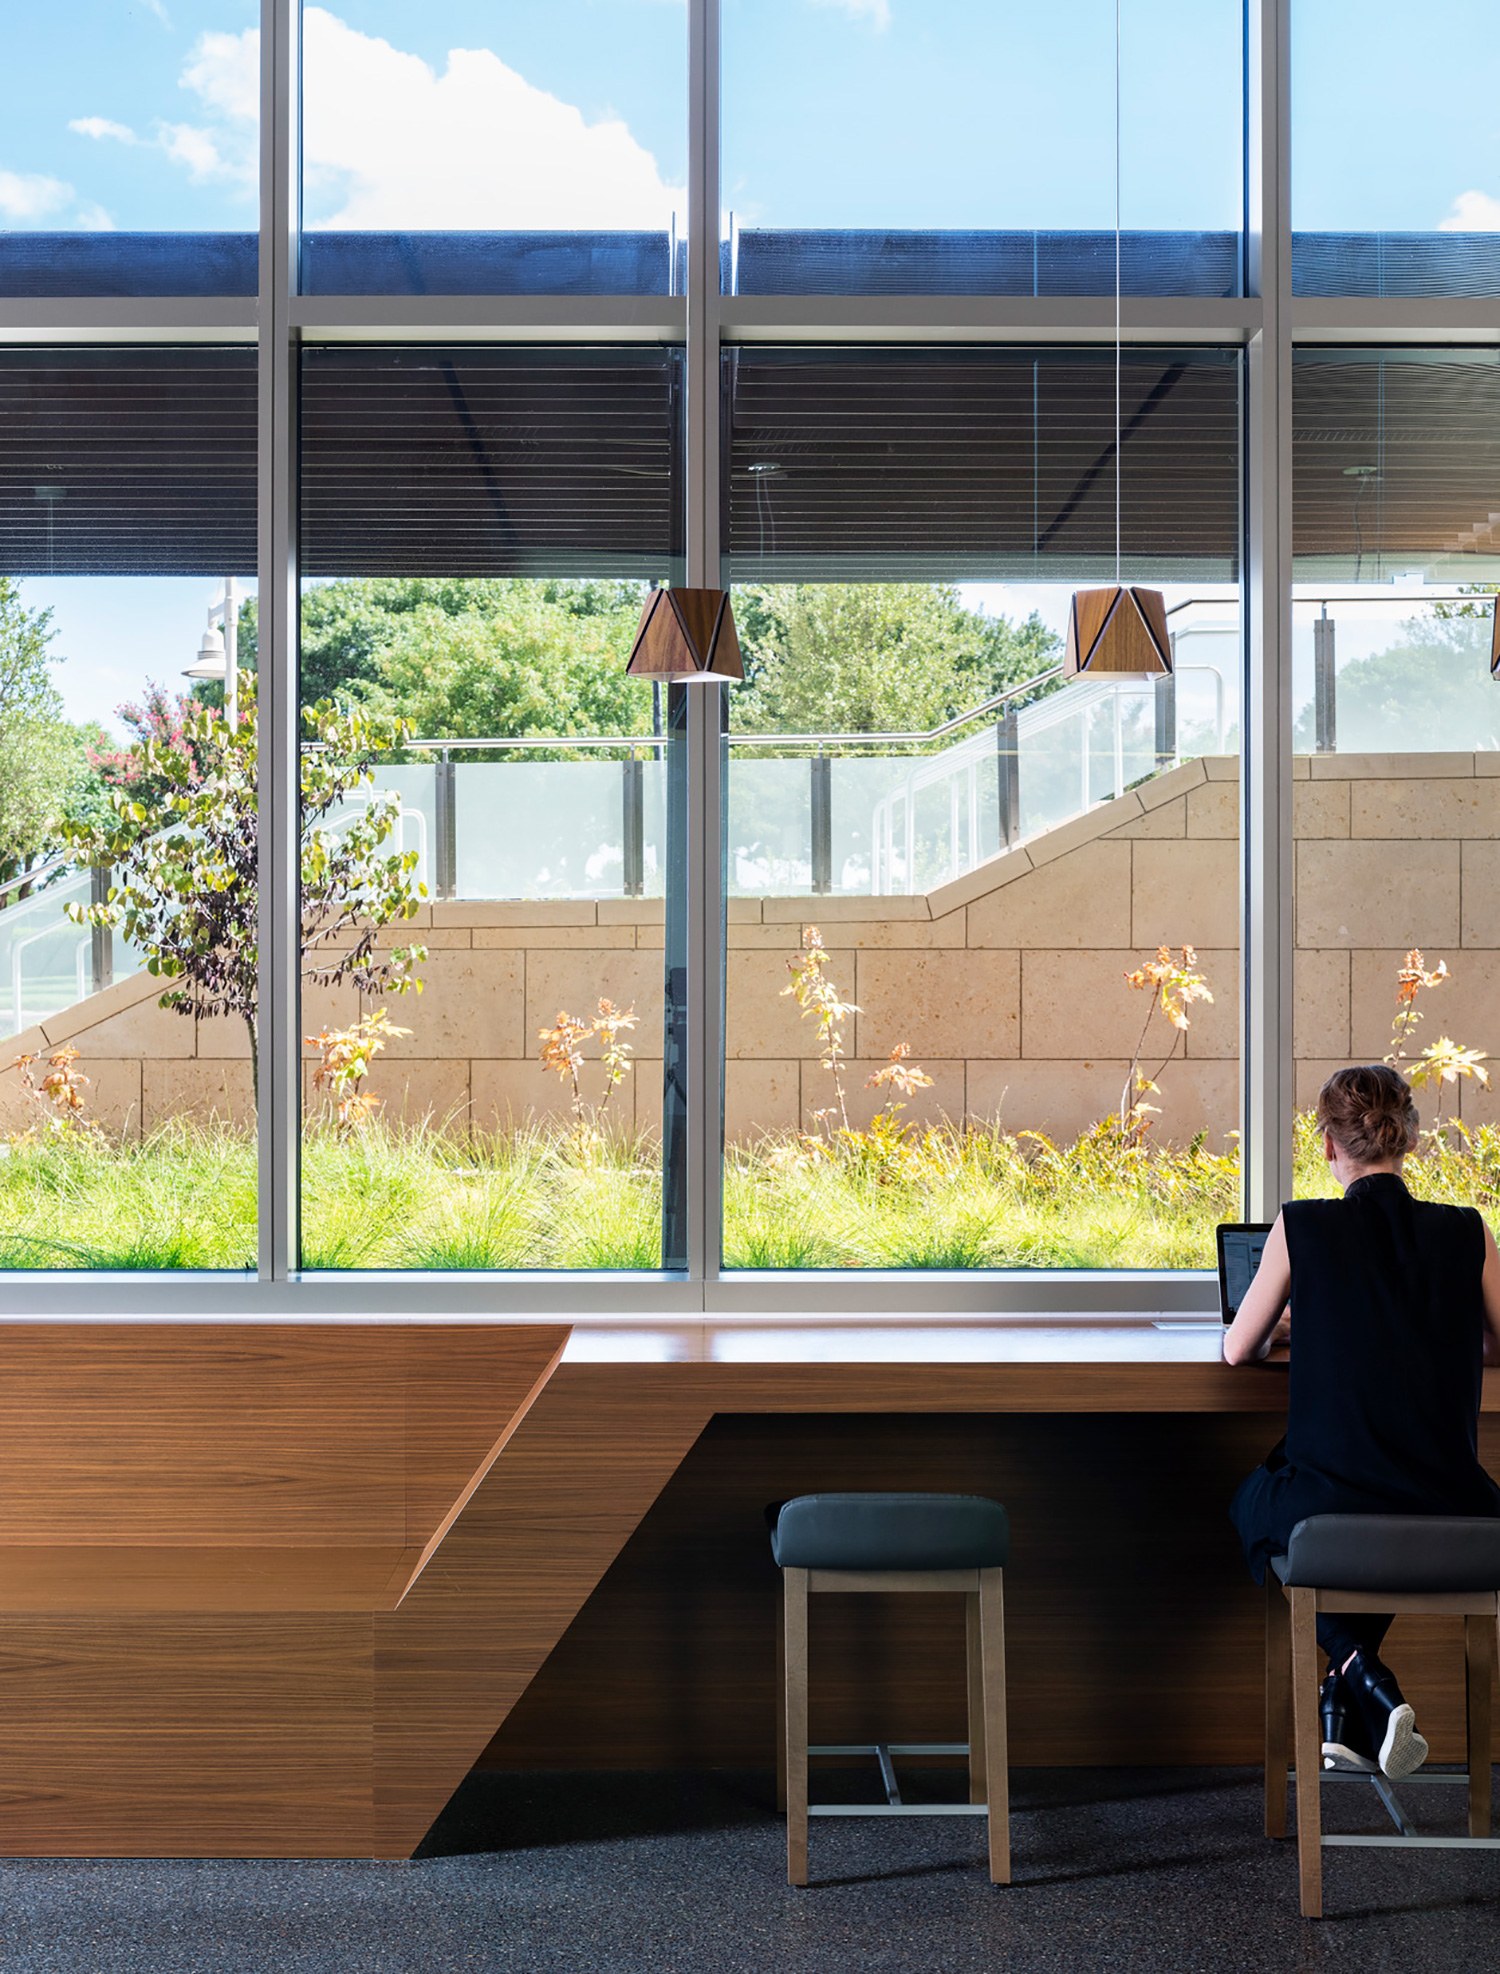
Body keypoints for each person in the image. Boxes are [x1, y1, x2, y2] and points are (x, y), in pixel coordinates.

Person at [1224, 1064, 1500, 1781]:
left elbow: (1237, 1349)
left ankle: (1362, 1672)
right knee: (1378, 1527)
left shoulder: (1303, 1224)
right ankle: (1341, 1712)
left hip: (1335, 1505)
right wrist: (1441, 1334)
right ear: (1409, 1139)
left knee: (1254, 1505)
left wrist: (1292, 1329)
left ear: (1327, 1145)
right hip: (1456, 1511)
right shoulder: (1466, 1230)